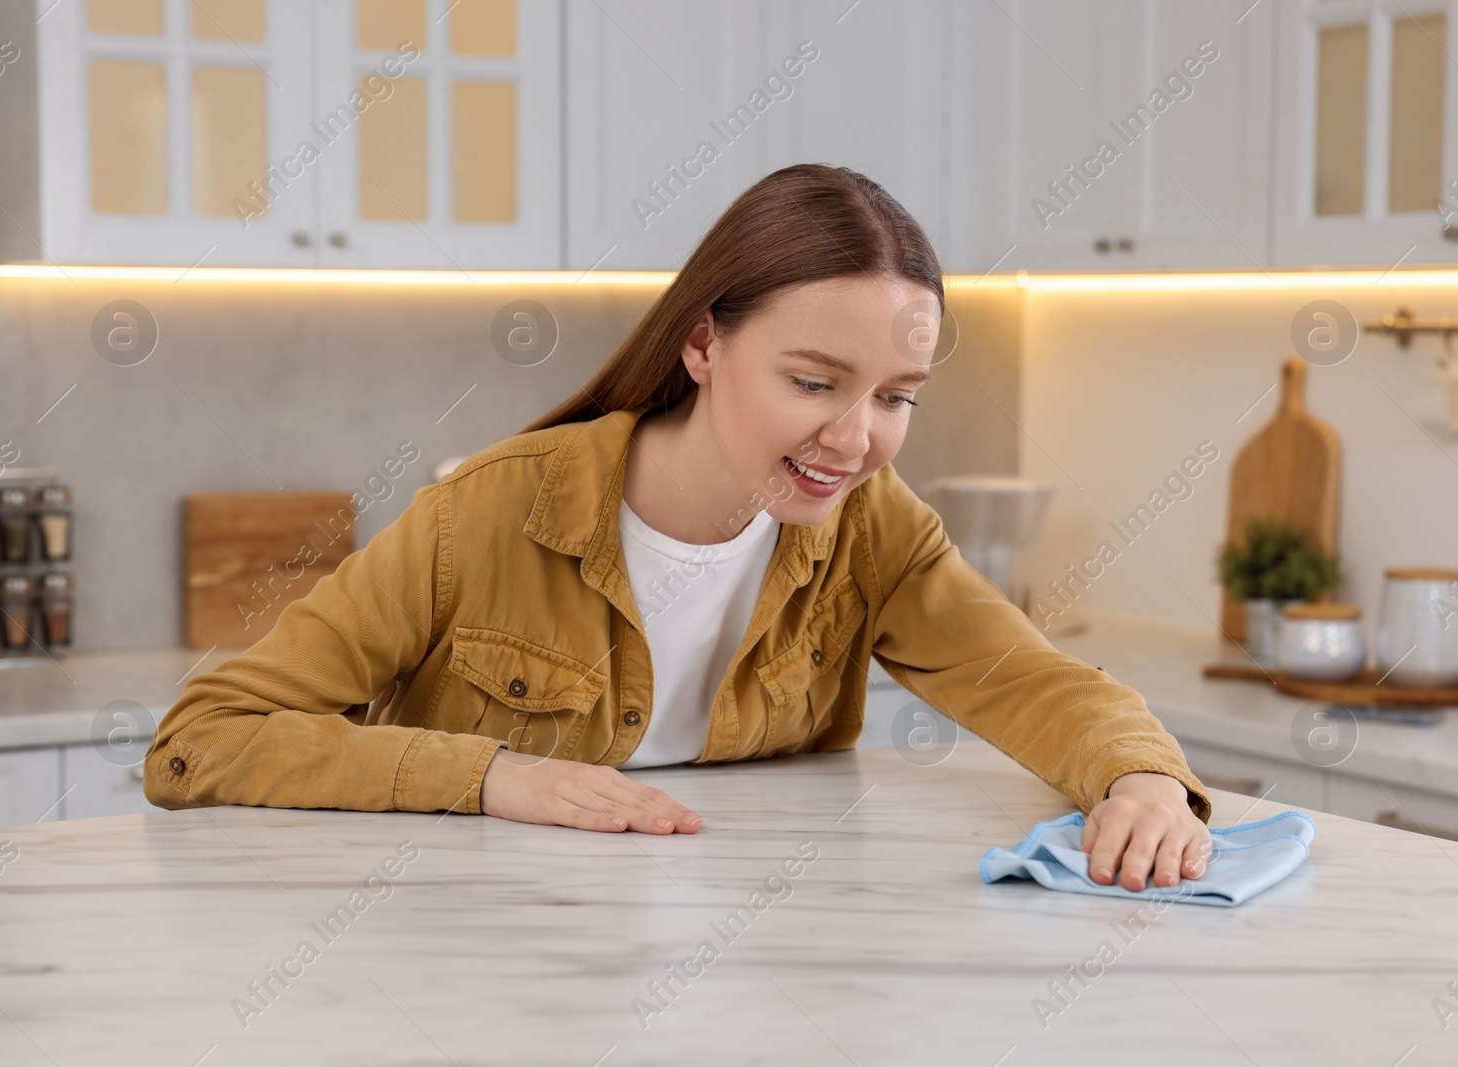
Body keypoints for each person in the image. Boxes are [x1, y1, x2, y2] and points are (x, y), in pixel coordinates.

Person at [145, 163, 1213, 893]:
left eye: (896, 396)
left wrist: (1145, 781)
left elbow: (1033, 681)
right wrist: (490, 776)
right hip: (477, 969)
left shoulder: (873, 528)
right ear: (702, 346)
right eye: (812, 379)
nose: (853, 438)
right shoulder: (489, 509)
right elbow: (201, 739)